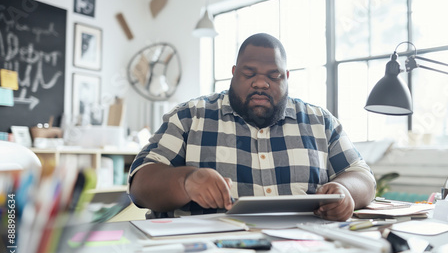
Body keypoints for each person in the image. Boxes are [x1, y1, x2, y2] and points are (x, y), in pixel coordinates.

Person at [128, 33, 376, 221]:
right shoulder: (189, 117)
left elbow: (363, 177)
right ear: (234, 73)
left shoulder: (319, 121)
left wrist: (346, 192)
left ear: (286, 77)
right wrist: (186, 181)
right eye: (249, 73)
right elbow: (140, 185)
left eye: (273, 75)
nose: (261, 83)